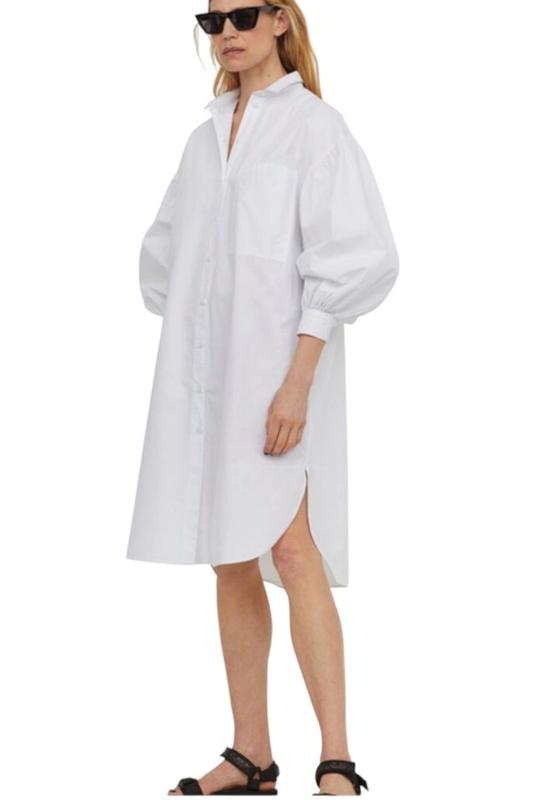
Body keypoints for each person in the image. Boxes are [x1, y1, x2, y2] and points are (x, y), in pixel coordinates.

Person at [126, 1, 399, 795]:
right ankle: (251, 754)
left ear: (280, 20)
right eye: (211, 22)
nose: (227, 34)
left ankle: (336, 756)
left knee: (293, 548)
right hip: (210, 381)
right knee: (229, 556)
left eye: (243, 16)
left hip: (279, 376)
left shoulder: (314, 129)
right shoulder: (202, 138)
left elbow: (356, 258)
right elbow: (163, 260)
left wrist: (297, 382)